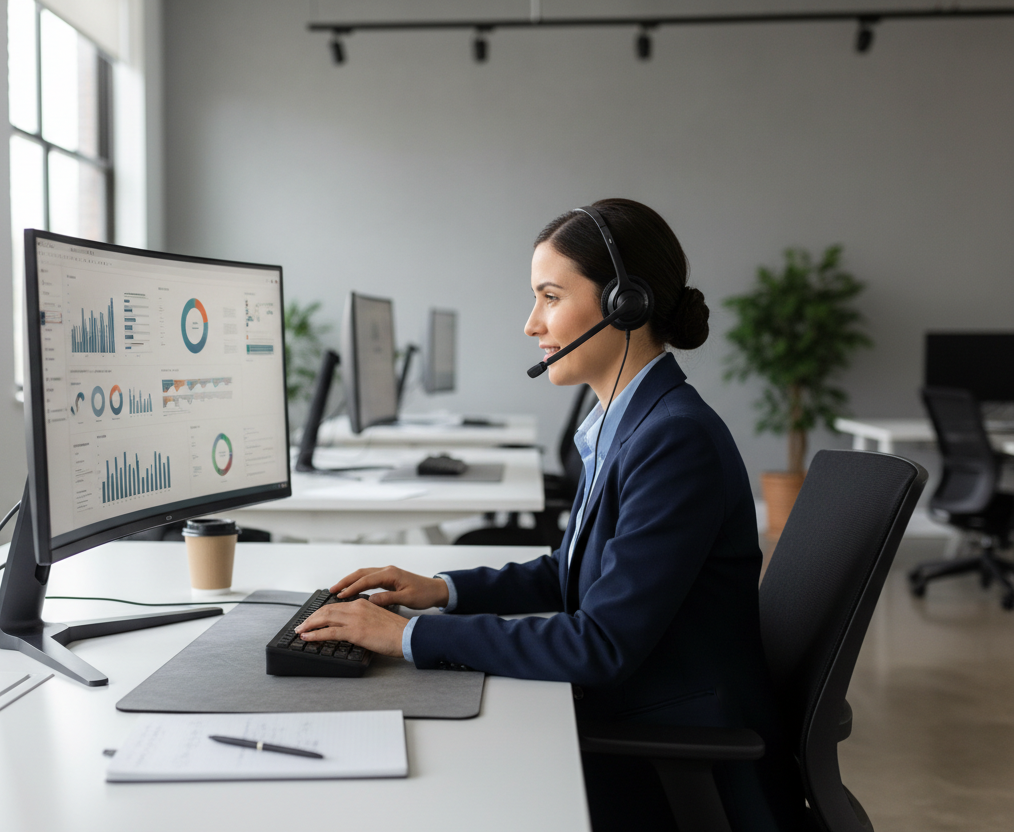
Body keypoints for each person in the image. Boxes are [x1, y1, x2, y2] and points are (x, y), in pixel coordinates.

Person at [295, 198, 805, 831]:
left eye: (550, 296)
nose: (532, 323)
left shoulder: (675, 439)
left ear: (625, 304)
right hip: (638, 709)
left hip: (669, 748)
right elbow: (570, 572)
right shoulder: (628, 425)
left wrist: (404, 637)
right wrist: (442, 591)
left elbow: (601, 642)